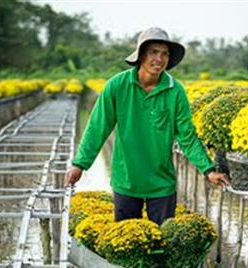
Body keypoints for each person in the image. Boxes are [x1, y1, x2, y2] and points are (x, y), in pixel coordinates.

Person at [64, 27, 229, 225]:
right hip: (126, 180)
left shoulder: (175, 91)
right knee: (128, 243)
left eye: (165, 54)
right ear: (141, 54)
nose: (159, 59)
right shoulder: (117, 86)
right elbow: (97, 128)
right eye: (154, 52)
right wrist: (80, 164)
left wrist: (208, 170)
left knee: (163, 244)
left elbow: (187, 137)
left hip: (161, 184)